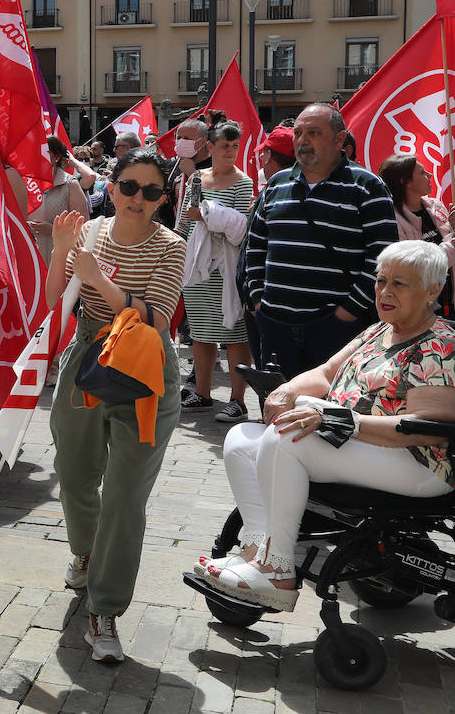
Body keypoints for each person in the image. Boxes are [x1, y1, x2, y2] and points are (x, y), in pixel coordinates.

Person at [196, 241, 455, 612]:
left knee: (289, 438)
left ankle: (278, 570)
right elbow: (325, 373)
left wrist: (339, 420)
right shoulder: (376, 332)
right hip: (359, 444)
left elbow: (426, 428)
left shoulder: (440, 345)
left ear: (433, 290)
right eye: (381, 281)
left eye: (400, 283)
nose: (384, 291)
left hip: (418, 461)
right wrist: (287, 391)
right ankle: (255, 550)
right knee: (243, 437)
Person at [47, 148, 187, 663]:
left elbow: (157, 319)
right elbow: (55, 297)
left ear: (162, 199)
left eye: (151, 191)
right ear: (113, 186)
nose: (137, 198)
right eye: (129, 186)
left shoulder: (172, 246)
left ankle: (104, 609)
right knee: (75, 472)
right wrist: (60, 250)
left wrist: (100, 278)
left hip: (145, 371)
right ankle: (85, 552)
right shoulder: (91, 230)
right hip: (87, 357)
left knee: (125, 498)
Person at [243, 103, 398, 378]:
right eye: (298, 133)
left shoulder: (367, 187)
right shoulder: (276, 184)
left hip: (336, 329)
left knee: (331, 412)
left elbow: (383, 258)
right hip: (276, 325)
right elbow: (255, 247)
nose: (303, 140)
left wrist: (347, 312)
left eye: (314, 133)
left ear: (340, 139)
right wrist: (258, 301)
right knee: (279, 409)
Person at [178, 115, 255, 422]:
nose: (230, 152)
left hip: (227, 266)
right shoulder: (197, 178)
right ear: (209, 147)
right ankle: (203, 393)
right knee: (200, 334)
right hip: (197, 266)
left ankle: (238, 399)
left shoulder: (244, 181)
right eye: (224, 146)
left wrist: (207, 215)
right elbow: (186, 218)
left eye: (234, 146)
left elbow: (237, 226)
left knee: (235, 334)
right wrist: (177, 249)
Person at [380, 154, 455, 317]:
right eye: (422, 173)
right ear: (404, 181)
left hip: (451, 305)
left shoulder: (436, 206)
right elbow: (420, 267)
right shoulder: (392, 220)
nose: (429, 175)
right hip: (421, 313)